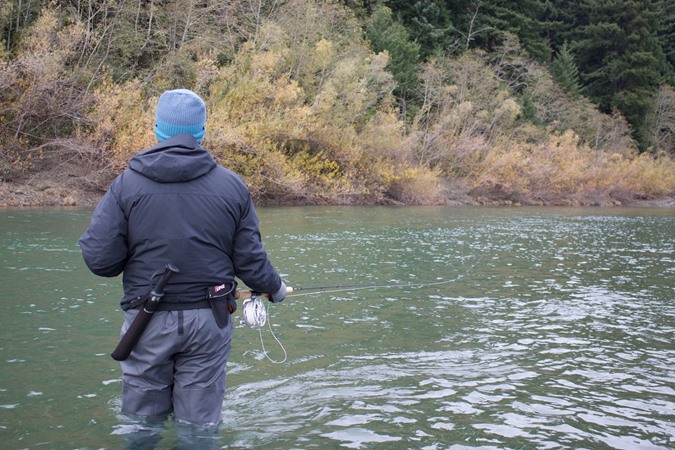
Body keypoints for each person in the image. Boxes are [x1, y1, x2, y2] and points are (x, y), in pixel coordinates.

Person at [79, 88, 287, 439]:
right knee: (199, 425)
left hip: (145, 324)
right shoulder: (232, 186)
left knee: (141, 423)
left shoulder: (126, 185)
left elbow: (101, 261)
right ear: (201, 132)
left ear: (157, 128)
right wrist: (275, 288)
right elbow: (250, 262)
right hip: (209, 322)